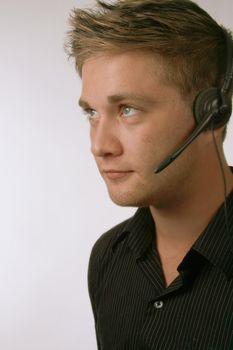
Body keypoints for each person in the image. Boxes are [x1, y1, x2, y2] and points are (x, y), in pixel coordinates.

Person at [66, 0, 233, 348]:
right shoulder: (108, 256)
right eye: (92, 113)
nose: (100, 145)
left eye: (127, 109)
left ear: (212, 115)